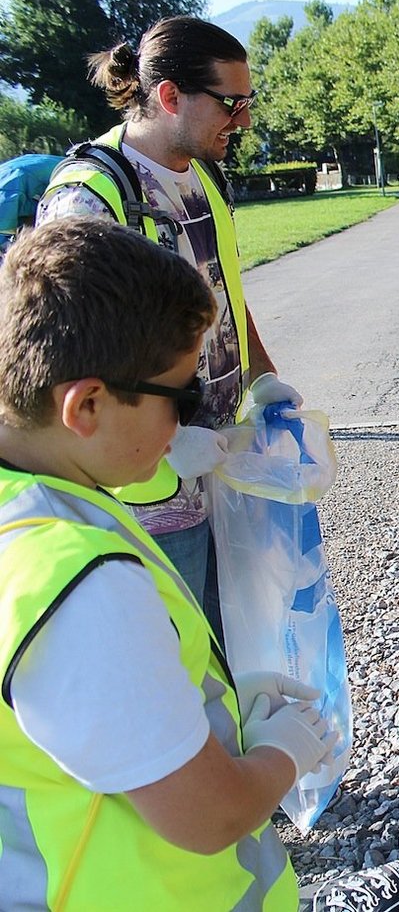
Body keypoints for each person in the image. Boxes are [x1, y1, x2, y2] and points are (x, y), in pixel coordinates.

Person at [0, 217, 337, 908]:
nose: (189, 422)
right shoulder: (79, 583)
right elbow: (206, 816)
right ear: (86, 404)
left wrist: (216, 715)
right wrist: (284, 751)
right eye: (179, 398)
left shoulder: (36, 505)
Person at [36, 16, 299, 645]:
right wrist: (166, 441)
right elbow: (58, 362)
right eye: (232, 104)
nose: (244, 121)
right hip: (146, 494)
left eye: (249, 103)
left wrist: (262, 376)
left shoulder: (205, 174)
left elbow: (225, 291)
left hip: (220, 464)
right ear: (170, 96)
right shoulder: (91, 199)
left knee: (238, 645)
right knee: (178, 661)